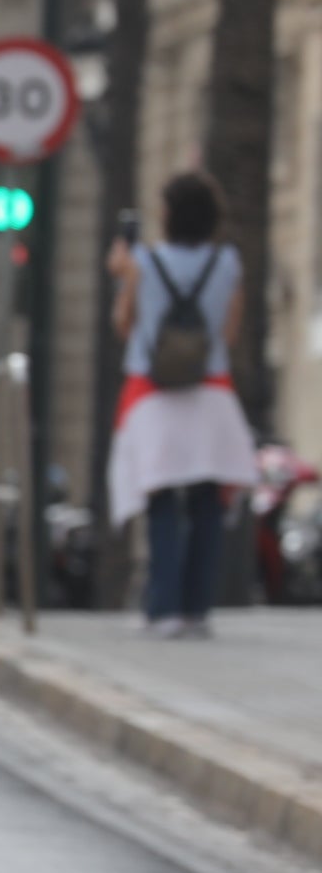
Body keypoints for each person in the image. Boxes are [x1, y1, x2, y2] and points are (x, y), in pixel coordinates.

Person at [107, 171, 257, 638]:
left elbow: (124, 324)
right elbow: (229, 333)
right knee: (208, 502)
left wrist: (121, 276)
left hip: (154, 396)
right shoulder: (228, 263)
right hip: (210, 391)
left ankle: (164, 608)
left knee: (162, 503)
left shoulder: (143, 263)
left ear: (168, 215)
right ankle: (197, 610)